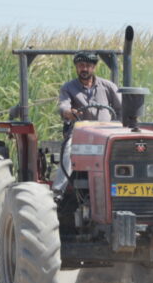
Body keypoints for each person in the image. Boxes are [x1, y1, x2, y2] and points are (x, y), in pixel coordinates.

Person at [52, 51, 123, 195]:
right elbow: (63, 107)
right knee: (68, 151)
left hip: (107, 133)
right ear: (76, 68)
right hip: (80, 133)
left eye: (88, 66)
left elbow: (121, 108)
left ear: (94, 67)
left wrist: (118, 124)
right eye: (81, 65)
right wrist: (69, 112)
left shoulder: (108, 86)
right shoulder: (68, 87)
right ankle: (58, 191)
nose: (84, 69)